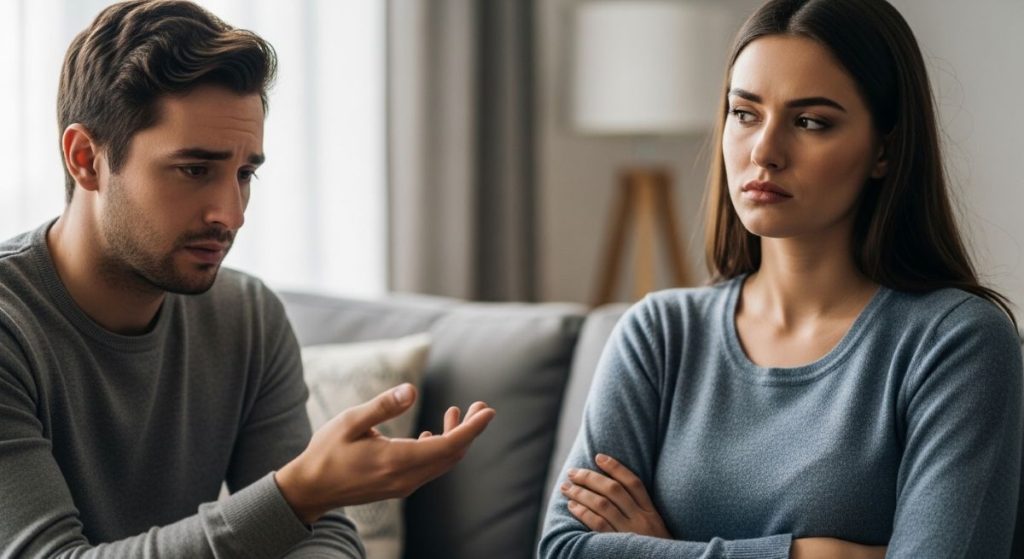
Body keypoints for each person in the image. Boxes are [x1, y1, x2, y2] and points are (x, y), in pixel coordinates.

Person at [0, 1, 495, 556]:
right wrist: (299, 492)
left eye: (244, 173)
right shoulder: (9, 328)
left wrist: (307, 503)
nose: (230, 213)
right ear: (85, 158)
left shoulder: (248, 316)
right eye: (194, 170)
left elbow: (323, 535)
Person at [540, 0, 1023, 557]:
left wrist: (663, 551)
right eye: (744, 113)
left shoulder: (956, 343)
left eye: (810, 122)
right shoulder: (659, 332)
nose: (764, 152)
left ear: (885, 150)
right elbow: (563, 549)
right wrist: (810, 554)